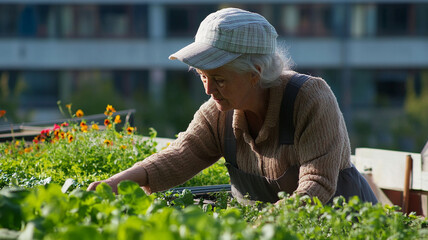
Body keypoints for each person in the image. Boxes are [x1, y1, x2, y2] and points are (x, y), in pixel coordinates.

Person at [87, 8, 378, 205]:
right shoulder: (219, 113)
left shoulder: (310, 100)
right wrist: (116, 182)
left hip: (340, 229)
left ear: (255, 74)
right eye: (203, 77)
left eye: (220, 79)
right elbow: (181, 154)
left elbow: (316, 188)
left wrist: (252, 231)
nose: (209, 90)